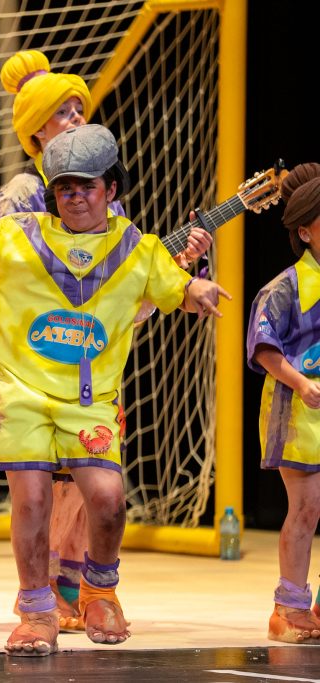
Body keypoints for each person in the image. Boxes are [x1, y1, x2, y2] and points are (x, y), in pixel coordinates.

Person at [0, 124, 230, 656]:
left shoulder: (137, 248)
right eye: (65, 188)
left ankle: (100, 590)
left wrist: (197, 289)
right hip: (19, 389)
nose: (75, 197)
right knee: (32, 500)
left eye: (87, 187)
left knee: (108, 498)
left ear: (111, 189)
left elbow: (175, 288)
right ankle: (36, 611)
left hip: (88, 398)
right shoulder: (20, 231)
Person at [0, 50, 213, 628]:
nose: (75, 118)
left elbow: (123, 296)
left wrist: (177, 276)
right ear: (35, 131)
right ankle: (40, 590)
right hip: (40, 359)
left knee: (86, 486)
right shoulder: (25, 190)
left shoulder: (106, 201)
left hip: (92, 362)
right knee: (45, 486)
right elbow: (17, 270)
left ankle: (78, 587)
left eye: (78, 109)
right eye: (62, 112)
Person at [246, 161, 320, 645]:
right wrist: (301, 383)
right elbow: (263, 348)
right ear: (305, 232)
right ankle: (288, 608)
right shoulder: (284, 288)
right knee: (306, 508)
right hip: (297, 410)